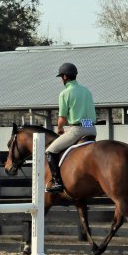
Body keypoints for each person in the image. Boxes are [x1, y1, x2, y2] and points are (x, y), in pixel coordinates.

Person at [45, 63, 97, 193]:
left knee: (50, 151)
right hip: (91, 128)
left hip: (78, 130)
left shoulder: (65, 93)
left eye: (61, 77)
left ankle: (57, 182)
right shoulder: (86, 91)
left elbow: (62, 117)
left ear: (64, 77)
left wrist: (60, 129)